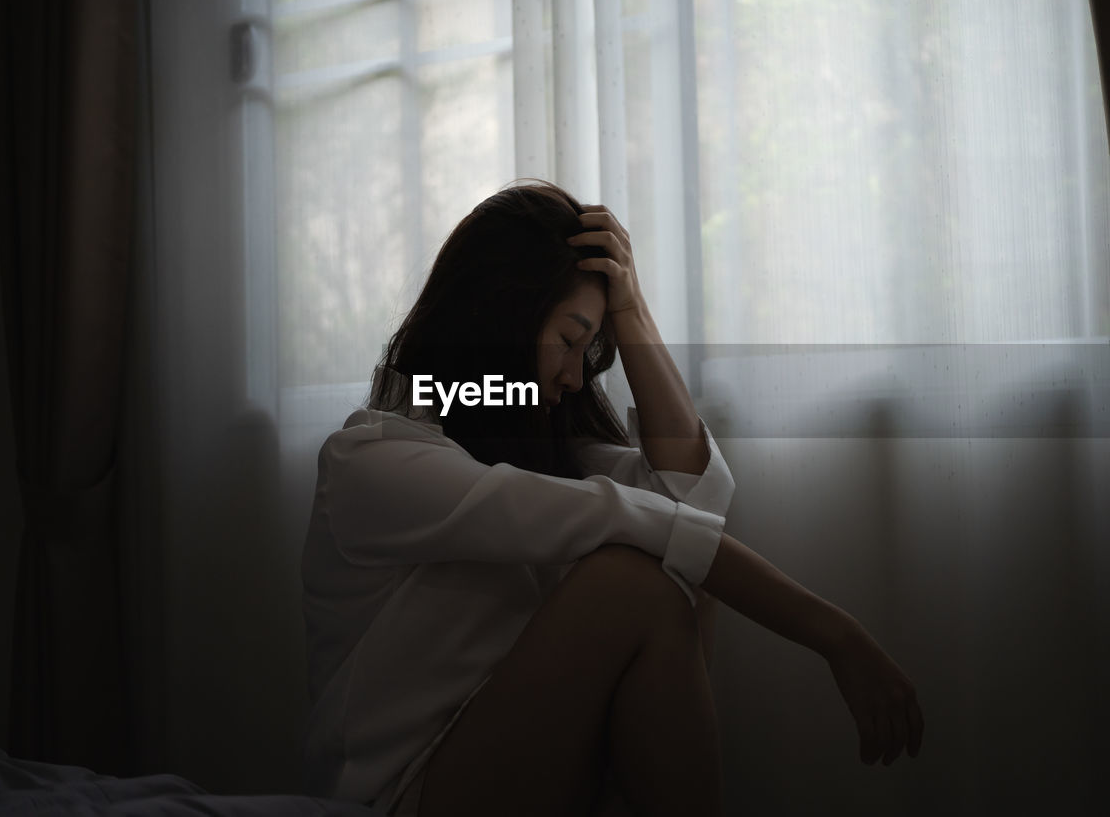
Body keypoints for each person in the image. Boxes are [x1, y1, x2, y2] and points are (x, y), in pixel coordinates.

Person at [300, 180, 924, 817]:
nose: (575, 379)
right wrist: (836, 637)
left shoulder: (516, 442)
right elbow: (660, 522)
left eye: (587, 351)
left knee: (670, 570)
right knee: (632, 577)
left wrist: (631, 310)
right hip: (407, 792)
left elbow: (691, 499)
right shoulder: (374, 464)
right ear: (499, 319)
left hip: (530, 771)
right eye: (569, 343)